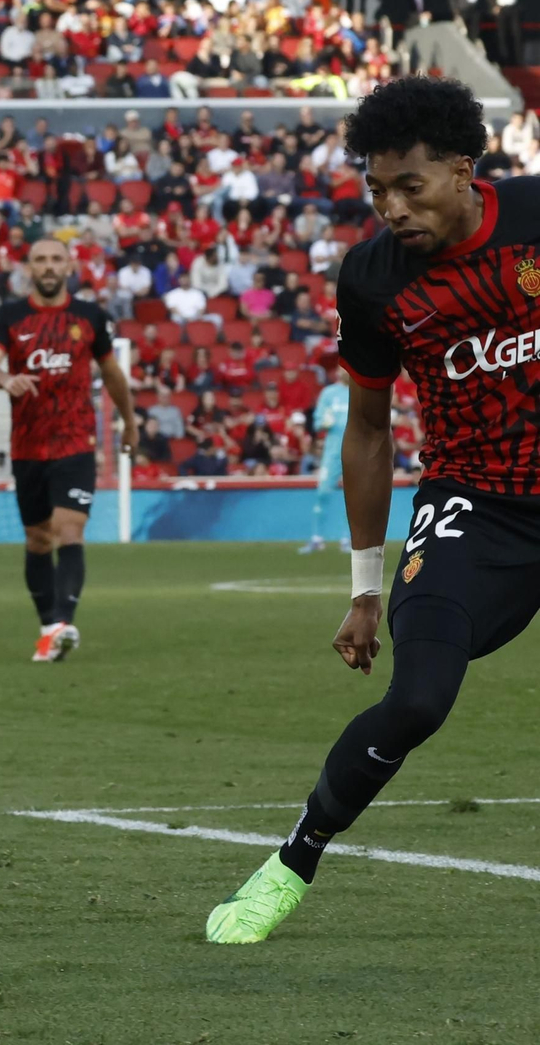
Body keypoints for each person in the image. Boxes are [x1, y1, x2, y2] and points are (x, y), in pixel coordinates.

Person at [205, 76, 540, 943]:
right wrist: (364, 588)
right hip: (474, 503)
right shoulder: (372, 279)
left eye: (410, 186)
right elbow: (366, 430)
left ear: (465, 170)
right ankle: (292, 860)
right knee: (419, 699)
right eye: (377, 190)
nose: (391, 207)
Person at [0, 238, 137, 662]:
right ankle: (49, 626)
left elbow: (113, 374)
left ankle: (64, 623)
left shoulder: (89, 316)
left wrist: (129, 422)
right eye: (40, 260)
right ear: (28, 268)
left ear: (69, 266)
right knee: (37, 540)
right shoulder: (11, 316)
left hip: (75, 442)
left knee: (69, 529)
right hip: (28, 447)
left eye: (55, 259)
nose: (48, 266)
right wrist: (4, 380)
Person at [299, 370, 350, 554]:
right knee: (322, 492)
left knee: (353, 497)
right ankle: (317, 538)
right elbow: (317, 422)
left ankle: (348, 539)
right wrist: (324, 422)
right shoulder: (329, 393)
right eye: (342, 368)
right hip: (333, 452)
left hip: (355, 451)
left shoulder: (360, 393)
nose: (344, 371)